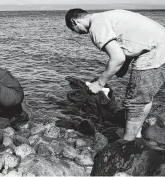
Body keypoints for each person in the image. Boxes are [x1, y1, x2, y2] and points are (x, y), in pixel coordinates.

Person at [65, 8, 165, 142]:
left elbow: (117, 57)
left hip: (156, 50)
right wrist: (125, 65)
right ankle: (138, 135)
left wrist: (99, 83)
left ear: (75, 21)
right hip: (160, 44)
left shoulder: (97, 26)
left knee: (135, 101)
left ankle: (127, 143)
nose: (77, 34)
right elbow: (132, 40)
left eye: (73, 30)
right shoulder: (107, 16)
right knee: (145, 97)